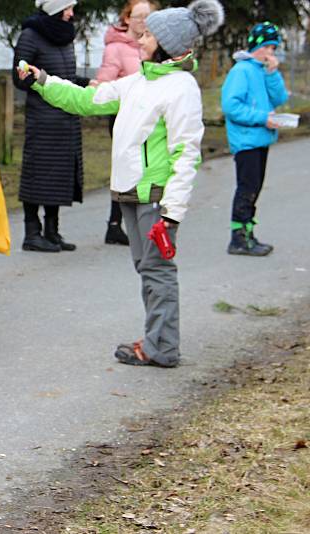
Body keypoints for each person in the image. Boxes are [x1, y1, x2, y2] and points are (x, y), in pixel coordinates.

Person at [18, 0, 224, 366]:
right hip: (130, 193)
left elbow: (186, 153)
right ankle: (158, 340)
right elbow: (86, 99)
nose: (139, 39)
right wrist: (43, 80)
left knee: (158, 271)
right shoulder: (139, 81)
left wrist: (172, 212)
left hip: (155, 198)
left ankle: (162, 347)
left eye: (146, 35)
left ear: (166, 44)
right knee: (148, 269)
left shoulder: (181, 88)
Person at [12, 0, 89, 253]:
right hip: (42, 120)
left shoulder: (65, 36)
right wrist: (29, 77)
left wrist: (88, 83)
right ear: (54, 9)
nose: (71, 13)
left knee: (58, 177)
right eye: (67, 8)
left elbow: (65, 77)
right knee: (37, 176)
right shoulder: (30, 35)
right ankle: (32, 233)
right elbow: (19, 77)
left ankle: (52, 231)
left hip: (66, 116)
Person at [221, 22, 288, 257]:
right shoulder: (242, 71)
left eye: (274, 48)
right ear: (256, 46)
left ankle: (248, 233)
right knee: (246, 188)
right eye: (268, 47)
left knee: (255, 188)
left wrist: (273, 73)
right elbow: (231, 106)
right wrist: (261, 117)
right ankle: (237, 238)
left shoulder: (263, 70)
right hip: (246, 140)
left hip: (260, 139)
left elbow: (279, 98)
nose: (271, 52)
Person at [95, 0, 158, 246]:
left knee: (147, 167)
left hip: (151, 117)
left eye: (148, 16)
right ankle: (115, 223)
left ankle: (139, 220)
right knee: (127, 167)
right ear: (127, 19)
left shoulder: (156, 44)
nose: (143, 21)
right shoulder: (116, 48)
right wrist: (97, 88)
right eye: (138, 16)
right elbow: (106, 78)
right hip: (124, 115)